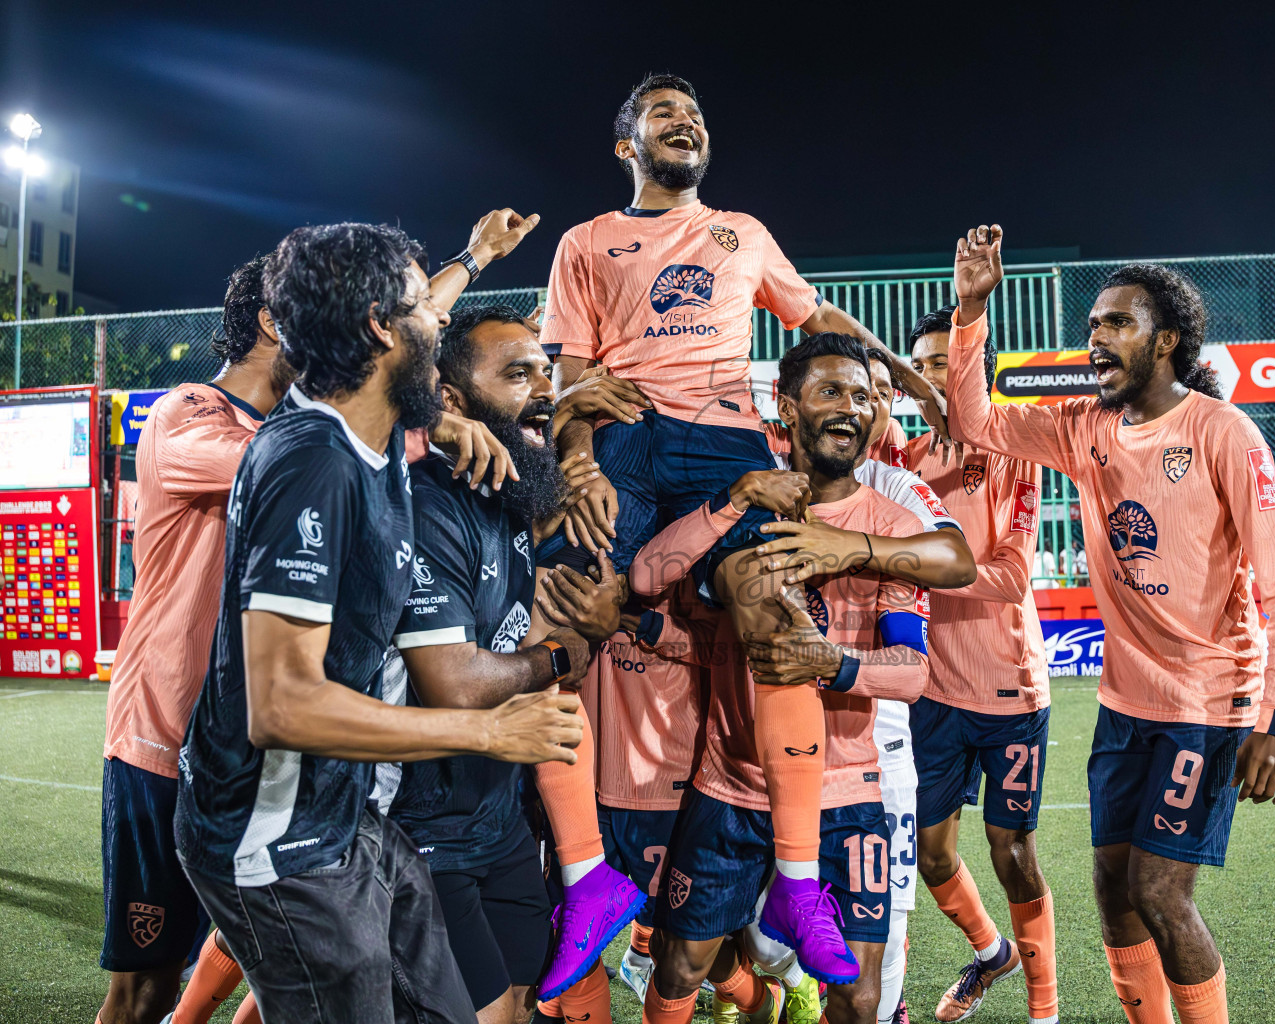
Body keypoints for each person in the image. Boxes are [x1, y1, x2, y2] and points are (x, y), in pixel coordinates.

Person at [540, 73, 942, 978]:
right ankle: (584, 874)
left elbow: (817, 315)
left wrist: (906, 374)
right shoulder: (586, 242)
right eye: (664, 115)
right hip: (625, 439)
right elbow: (568, 376)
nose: (685, 123)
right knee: (558, 627)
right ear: (627, 146)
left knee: (773, 615)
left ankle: (796, 883)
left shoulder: (742, 233)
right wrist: (576, 453)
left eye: (694, 115)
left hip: (725, 443)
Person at [99, 207, 535, 1024]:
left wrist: (474, 258)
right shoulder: (262, 442)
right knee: (149, 985)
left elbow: (405, 333)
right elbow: (285, 704)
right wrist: (486, 731)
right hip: (197, 757)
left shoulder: (360, 436)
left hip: (325, 792)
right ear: (368, 326)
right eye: (418, 310)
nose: (438, 326)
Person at [943, 225, 1275, 1024]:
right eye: (1092, 325)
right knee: (1112, 886)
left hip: (1205, 703)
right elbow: (972, 420)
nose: (1096, 338)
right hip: (1123, 704)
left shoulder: (1221, 432)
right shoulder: (1082, 426)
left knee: (1158, 891)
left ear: (1166, 340)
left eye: (1116, 323)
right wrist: (971, 310)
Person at [638, 333, 931, 1024]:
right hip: (730, 783)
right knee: (679, 964)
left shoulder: (892, 528)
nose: (851, 407)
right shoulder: (741, 503)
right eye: (830, 391)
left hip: (847, 789)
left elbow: (913, 672)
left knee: (858, 997)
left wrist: (832, 663)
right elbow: (656, 585)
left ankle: (785, 964)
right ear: (786, 405)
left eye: (861, 396)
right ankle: (764, 983)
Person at [387, 304, 634, 1024]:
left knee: (522, 1000)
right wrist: (563, 653)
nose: (544, 389)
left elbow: (532, 651)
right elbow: (455, 682)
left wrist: (589, 628)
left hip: (497, 821)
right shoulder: (427, 504)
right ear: (453, 400)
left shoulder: (512, 496)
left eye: (546, 372)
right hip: (422, 828)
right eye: (518, 374)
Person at [905, 304, 1059, 1024]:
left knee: (1012, 852)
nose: (932, 377)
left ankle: (1043, 1007)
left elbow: (1012, 575)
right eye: (922, 365)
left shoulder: (1013, 451)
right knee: (930, 855)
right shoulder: (903, 459)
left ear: (974, 372)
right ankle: (992, 953)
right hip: (933, 692)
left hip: (1009, 692)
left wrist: (913, 565)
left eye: (946, 362)